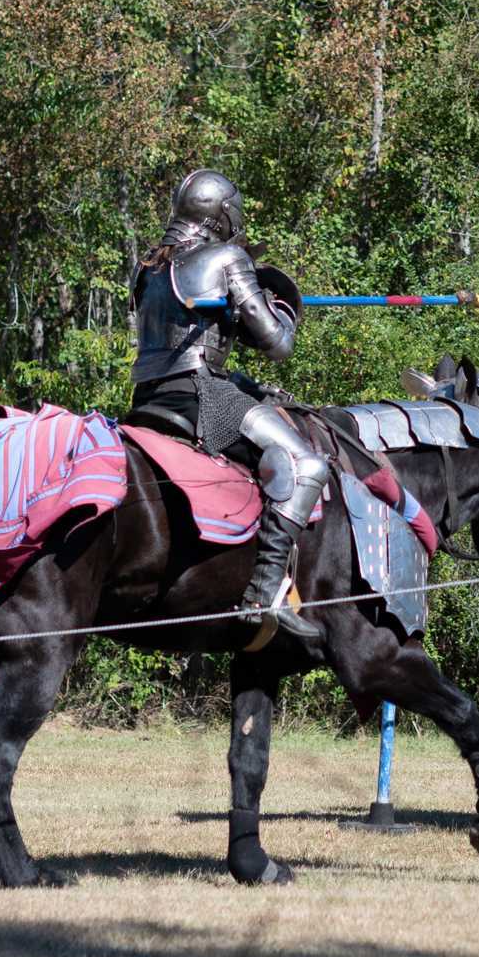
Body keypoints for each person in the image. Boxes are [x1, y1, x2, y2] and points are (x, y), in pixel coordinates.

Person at [127, 169, 327, 643]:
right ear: (221, 213)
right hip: (201, 392)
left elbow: (192, 325)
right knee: (308, 464)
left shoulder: (150, 266)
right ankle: (265, 593)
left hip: (149, 394)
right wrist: (279, 309)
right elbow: (276, 344)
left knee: (268, 400)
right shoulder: (226, 256)